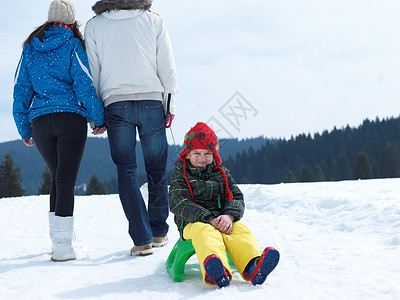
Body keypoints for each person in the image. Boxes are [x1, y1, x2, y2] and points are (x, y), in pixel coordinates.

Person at [13, 0, 106, 262]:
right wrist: (98, 117)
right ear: (72, 21)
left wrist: (23, 127)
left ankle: (57, 241)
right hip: (69, 119)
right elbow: (84, 84)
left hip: (40, 122)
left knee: (57, 177)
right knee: (65, 179)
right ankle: (63, 246)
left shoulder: (31, 47)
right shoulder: (73, 44)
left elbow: (21, 89)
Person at [84, 0, 178, 256]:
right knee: (156, 170)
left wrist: (96, 116)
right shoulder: (154, 20)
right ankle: (159, 232)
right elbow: (167, 66)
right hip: (151, 101)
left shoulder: (94, 26)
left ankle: (142, 240)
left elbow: (93, 72)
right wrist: (168, 105)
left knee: (126, 171)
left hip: (116, 104)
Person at [169, 122, 280, 288]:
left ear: (214, 155)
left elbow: (236, 197)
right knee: (205, 231)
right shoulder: (180, 177)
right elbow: (179, 203)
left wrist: (229, 216)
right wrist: (209, 219)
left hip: (222, 219)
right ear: (186, 155)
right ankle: (217, 270)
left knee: (239, 229)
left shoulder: (221, 173)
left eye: (208, 153)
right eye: (196, 153)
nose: (202, 158)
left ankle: (253, 266)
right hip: (193, 223)